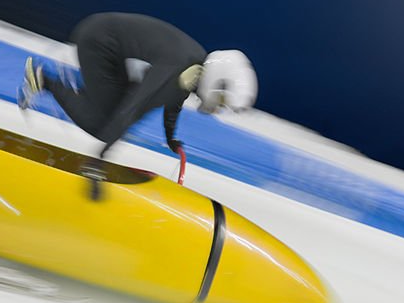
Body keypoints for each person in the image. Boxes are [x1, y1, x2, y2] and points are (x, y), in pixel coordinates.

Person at [16, 12, 257, 195]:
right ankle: (45, 80)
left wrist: (171, 138)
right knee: (102, 125)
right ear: (218, 82)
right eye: (222, 101)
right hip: (98, 42)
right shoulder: (178, 71)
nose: (218, 108)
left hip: (108, 43)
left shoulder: (192, 68)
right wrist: (98, 161)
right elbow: (132, 110)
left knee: (113, 112)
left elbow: (174, 101)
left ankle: (65, 86)